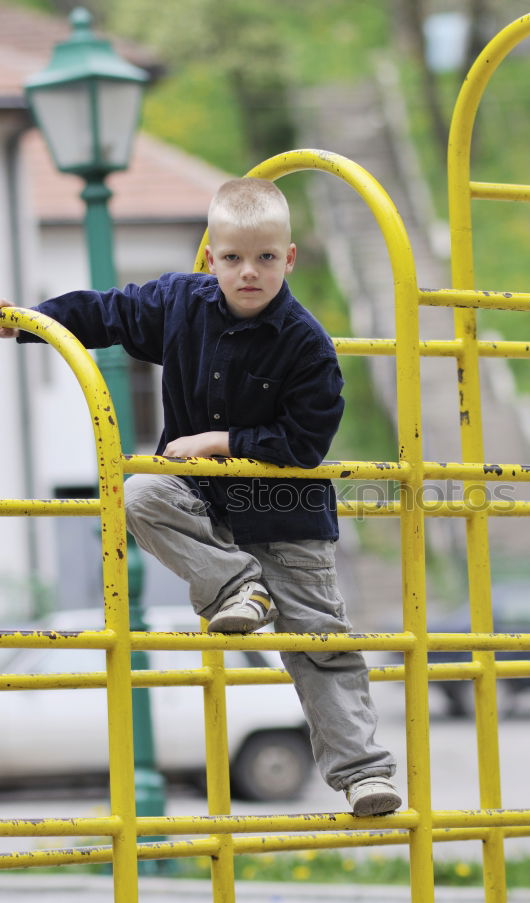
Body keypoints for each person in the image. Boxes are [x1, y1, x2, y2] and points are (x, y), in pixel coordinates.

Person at [0, 177, 401, 817]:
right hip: (203, 510)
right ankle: (236, 586)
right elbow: (105, 312)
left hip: (285, 517)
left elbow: (306, 442)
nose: (249, 273)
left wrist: (223, 440)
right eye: (234, 258)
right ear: (210, 257)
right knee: (140, 493)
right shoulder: (178, 305)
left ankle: (363, 776)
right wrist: (25, 321)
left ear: (288, 258)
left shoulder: (306, 343)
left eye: (266, 258)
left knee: (320, 647)